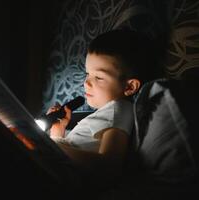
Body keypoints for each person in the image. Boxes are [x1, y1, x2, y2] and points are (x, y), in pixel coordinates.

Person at [47, 29, 162, 186]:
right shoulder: (107, 112)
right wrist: (58, 133)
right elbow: (76, 146)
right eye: (87, 74)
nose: (86, 83)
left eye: (99, 77)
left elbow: (108, 167)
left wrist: (52, 147)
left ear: (129, 87)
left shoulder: (118, 110)